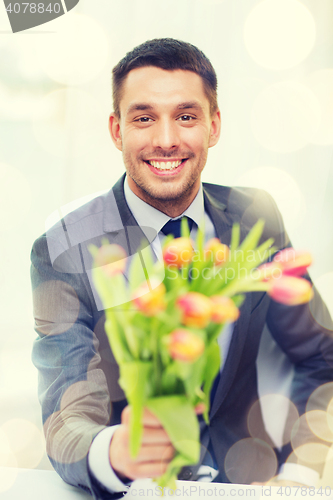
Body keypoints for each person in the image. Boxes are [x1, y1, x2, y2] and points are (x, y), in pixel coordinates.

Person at [31, 38, 333, 500]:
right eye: (144, 117)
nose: (166, 139)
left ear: (213, 126)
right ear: (116, 130)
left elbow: (320, 355)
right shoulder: (65, 249)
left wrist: (302, 474)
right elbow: (65, 416)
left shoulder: (256, 218)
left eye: (186, 116)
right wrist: (114, 452)